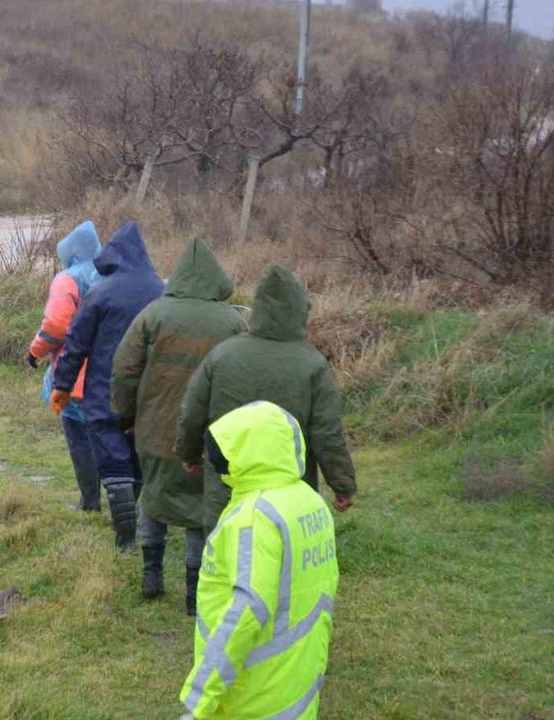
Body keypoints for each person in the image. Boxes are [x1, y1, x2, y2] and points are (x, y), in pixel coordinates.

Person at [177, 401, 340, 720]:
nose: (213, 457)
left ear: (246, 452)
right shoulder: (309, 501)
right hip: (297, 679)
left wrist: (200, 698)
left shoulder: (254, 518)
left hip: (252, 694)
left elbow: (247, 611)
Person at [110, 238, 244, 609]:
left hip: (153, 429)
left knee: (153, 497)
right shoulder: (233, 321)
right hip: (210, 436)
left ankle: (151, 575)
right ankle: (194, 591)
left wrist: (126, 415)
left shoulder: (152, 315)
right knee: (200, 508)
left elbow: (123, 370)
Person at [176, 264, 357, 533]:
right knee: (284, 555)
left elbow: (192, 413)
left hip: (229, 494)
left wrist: (189, 454)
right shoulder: (313, 365)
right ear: (300, 311)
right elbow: (327, 434)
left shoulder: (221, 356)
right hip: (290, 501)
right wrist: (342, 484)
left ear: (257, 309)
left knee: (225, 552)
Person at [51, 221, 164, 549]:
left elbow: (76, 343)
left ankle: (125, 538)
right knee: (137, 456)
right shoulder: (161, 291)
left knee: (114, 460)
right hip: (148, 391)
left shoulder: (101, 292)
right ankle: (136, 525)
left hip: (105, 387)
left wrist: (62, 385)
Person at [28, 220, 104, 512]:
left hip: (75, 377)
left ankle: (89, 501)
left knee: (79, 436)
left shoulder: (68, 279)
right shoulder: (110, 274)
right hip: (111, 374)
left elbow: (56, 326)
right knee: (108, 436)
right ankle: (123, 501)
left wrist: (35, 351)